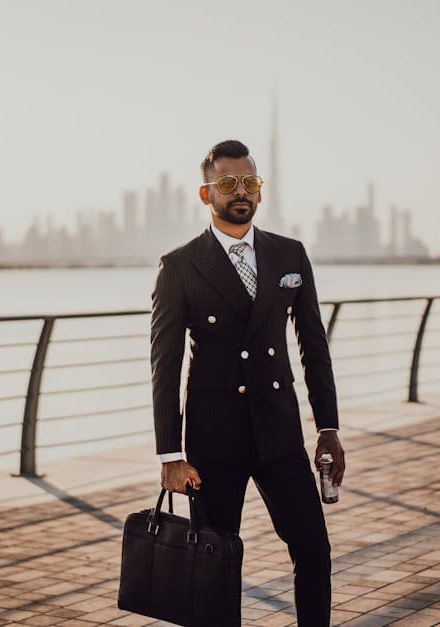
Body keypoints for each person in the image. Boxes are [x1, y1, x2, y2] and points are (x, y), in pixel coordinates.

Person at [149, 139, 346, 625]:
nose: (241, 192)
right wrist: (170, 455)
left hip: (279, 433)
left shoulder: (290, 255)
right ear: (205, 194)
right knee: (215, 565)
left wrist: (329, 427)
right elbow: (165, 365)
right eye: (229, 184)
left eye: (250, 183)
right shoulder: (180, 266)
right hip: (214, 439)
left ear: (261, 192)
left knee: (314, 550)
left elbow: (312, 346)